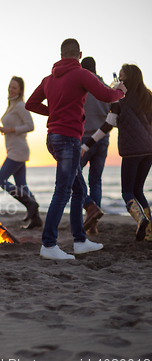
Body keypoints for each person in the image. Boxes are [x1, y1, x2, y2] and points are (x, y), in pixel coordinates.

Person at [25, 38, 126, 260]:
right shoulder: (82, 74)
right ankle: (49, 245)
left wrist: (53, 111)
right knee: (63, 192)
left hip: (53, 138)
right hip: (69, 139)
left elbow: (30, 104)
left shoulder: (48, 79)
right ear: (79, 54)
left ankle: (80, 241)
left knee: (79, 190)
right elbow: (107, 96)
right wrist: (119, 91)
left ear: (61, 55)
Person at [81, 64, 152, 242]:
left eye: (121, 77)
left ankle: (141, 219)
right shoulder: (148, 96)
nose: (119, 80)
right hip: (149, 150)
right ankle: (149, 232)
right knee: (139, 190)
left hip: (131, 151)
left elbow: (107, 125)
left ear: (127, 79)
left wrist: (87, 145)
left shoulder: (119, 99)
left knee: (127, 192)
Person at [0, 76, 42, 230]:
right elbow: (9, 128)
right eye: (9, 87)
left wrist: (11, 129)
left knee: (1, 180)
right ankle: (36, 218)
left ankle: (30, 204)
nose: (10, 90)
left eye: (14, 88)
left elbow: (30, 126)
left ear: (20, 91)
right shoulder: (11, 105)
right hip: (14, 149)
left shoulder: (20, 105)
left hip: (18, 150)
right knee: (22, 185)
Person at [79, 57, 109, 235]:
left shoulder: (84, 87)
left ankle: (89, 208)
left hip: (85, 139)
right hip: (103, 139)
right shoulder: (105, 87)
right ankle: (93, 223)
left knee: (74, 176)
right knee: (95, 180)